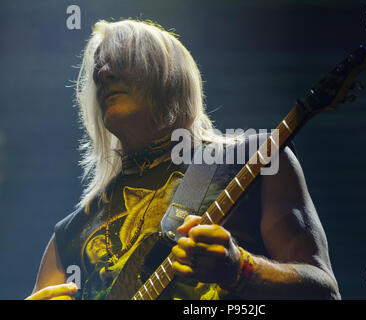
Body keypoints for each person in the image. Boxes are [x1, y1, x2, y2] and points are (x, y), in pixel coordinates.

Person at [26, 19, 340, 300]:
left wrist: (240, 269)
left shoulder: (256, 158)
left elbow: (325, 291)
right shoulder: (72, 231)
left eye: (121, 60)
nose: (104, 73)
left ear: (169, 73)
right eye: (99, 70)